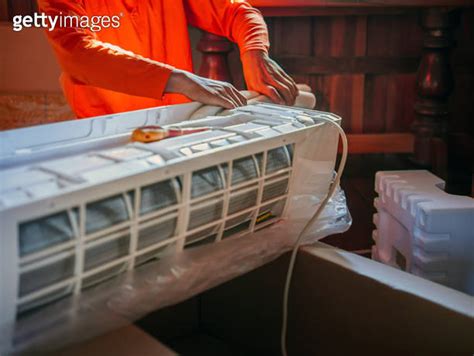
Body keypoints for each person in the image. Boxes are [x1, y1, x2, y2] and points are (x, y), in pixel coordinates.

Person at [38, 0, 298, 118]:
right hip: (104, 130)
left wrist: (255, 51)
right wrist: (181, 80)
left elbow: (235, 11)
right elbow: (76, 53)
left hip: (174, 122)